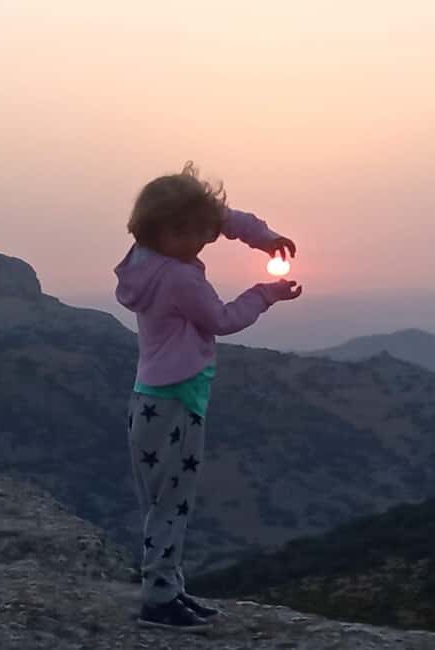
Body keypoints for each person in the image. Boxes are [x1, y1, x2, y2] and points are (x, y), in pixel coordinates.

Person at [114, 161, 302, 632]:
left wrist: (261, 236)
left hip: (149, 398)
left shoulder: (145, 254)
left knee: (161, 500)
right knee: (172, 504)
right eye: (194, 233)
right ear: (168, 230)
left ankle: (169, 589)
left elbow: (220, 218)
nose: (204, 240)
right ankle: (159, 601)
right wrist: (266, 294)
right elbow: (221, 320)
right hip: (177, 400)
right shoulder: (179, 278)